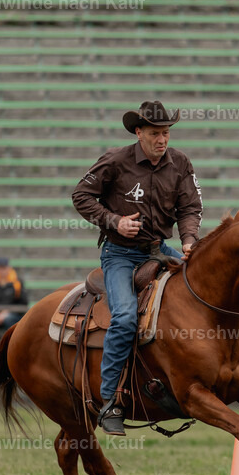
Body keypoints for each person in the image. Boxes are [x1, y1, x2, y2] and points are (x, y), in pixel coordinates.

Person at [71, 100, 203, 435]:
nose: (163, 139)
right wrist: (113, 221)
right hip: (120, 255)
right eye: (156, 133)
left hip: (160, 249)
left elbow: (190, 207)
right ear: (139, 132)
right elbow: (81, 195)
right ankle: (109, 400)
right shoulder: (115, 160)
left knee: (203, 291)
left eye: (167, 132)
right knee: (126, 318)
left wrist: (188, 239)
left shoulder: (180, 163)